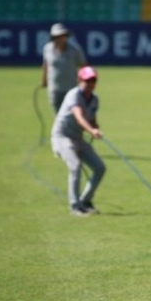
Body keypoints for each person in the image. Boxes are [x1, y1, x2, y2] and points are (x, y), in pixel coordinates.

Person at [51, 66, 106, 216]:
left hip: (77, 138)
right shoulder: (73, 95)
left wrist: (95, 126)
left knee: (100, 167)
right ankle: (75, 206)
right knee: (75, 166)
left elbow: (91, 118)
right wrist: (91, 130)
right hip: (62, 137)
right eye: (87, 80)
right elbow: (79, 116)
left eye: (93, 80)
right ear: (79, 80)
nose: (90, 83)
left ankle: (85, 201)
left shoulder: (94, 100)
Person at [41, 23, 87, 114]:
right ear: (53, 37)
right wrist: (44, 80)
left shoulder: (75, 50)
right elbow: (46, 64)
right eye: (57, 36)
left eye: (63, 36)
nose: (60, 38)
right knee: (58, 116)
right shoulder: (47, 49)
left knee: (72, 115)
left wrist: (83, 82)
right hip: (54, 88)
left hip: (71, 88)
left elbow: (83, 66)